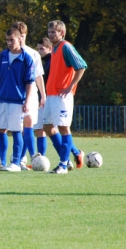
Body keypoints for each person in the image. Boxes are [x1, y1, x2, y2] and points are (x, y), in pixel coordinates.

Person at [41, 20, 87, 174]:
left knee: (63, 128)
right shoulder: (54, 49)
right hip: (51, 95)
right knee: (47, 127)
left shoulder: (66, 46)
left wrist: (70, 87)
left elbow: (81, 66)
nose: (51, 34)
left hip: (62, 96)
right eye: (49, 32)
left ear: (62, 33)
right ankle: (67, 159)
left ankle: (63, 165)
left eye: (54, 32)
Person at [0, 27, 36, 171]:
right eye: (7, 40)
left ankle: (16, 163)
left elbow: (30, 82)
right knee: (0, 129)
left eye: (12, 40)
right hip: (2, 99)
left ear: (19, 39)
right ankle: (2, 162)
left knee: (17, 130)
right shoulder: (3, 55)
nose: (9, 43)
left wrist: (28, 101)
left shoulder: (27, 59)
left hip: (17, 100)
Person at [10, 22, 46, 170]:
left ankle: (31, 156)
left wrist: (43, 95)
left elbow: (38, 76)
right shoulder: (10, 53)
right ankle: (19, 159)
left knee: (29, 125)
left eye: (23, 36)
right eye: (19, 36)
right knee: (19, 128)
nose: (21, 39)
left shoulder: (33, 53)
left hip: (31, 96)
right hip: (16, 96)